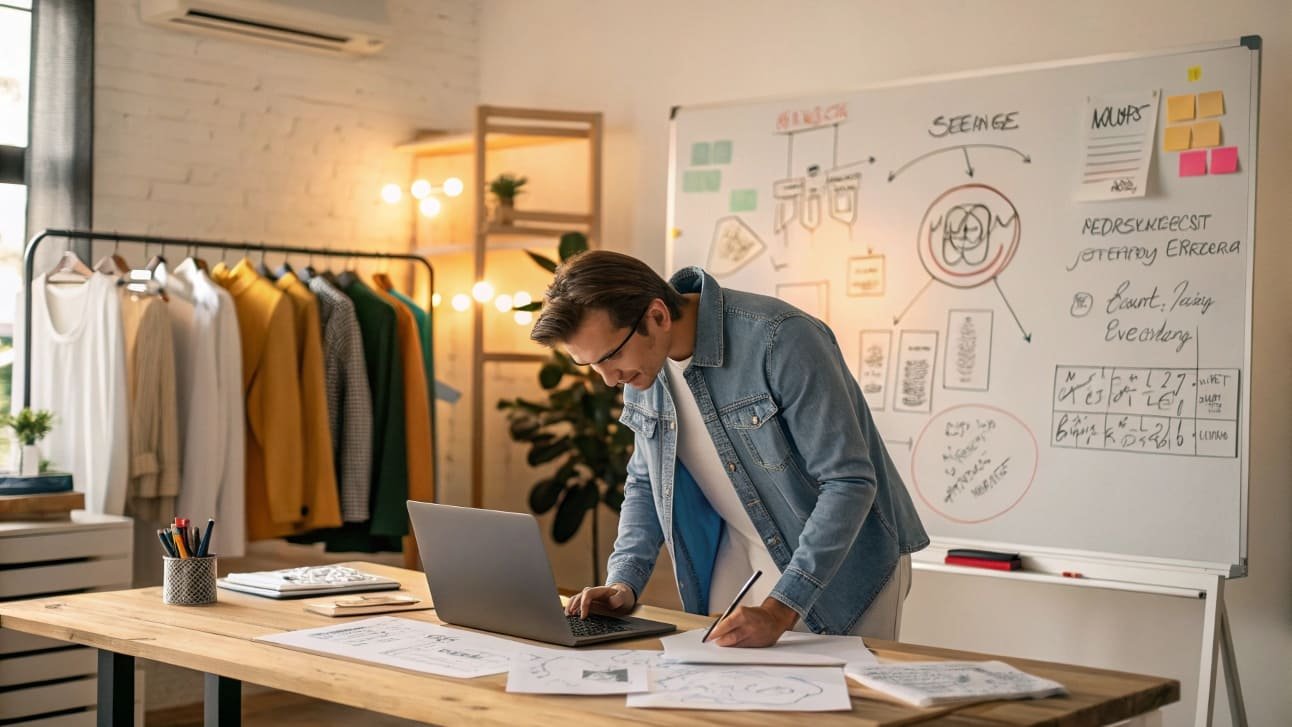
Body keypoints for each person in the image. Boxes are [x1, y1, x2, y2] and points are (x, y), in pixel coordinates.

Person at [531, 250, 928, 647]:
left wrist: (782, 606)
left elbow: (849, 482)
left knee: (842, 705)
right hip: (740, 558)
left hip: (844, 566)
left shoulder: (780, 338)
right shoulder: (642, 370)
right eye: (591, 365)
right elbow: (645, 482)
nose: (609, 380)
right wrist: (623, 581)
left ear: (657, 316)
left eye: (612, 355)